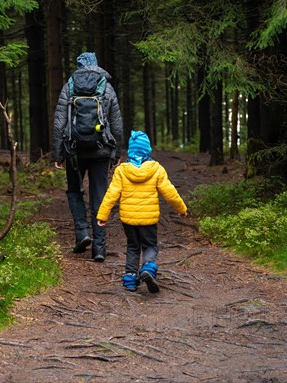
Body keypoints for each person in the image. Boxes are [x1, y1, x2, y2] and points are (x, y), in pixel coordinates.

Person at [52, 52, 123, 262]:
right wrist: (116, 152)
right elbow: (116, 124)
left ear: (79, 66)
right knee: (99, 195)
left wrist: (58, 153)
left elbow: (59, 122)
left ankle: (82, 233)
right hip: (100, 149)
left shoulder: (70, 86)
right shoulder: (106, 87)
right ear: (96, 65)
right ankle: (99, 248)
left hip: (74, 149)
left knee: (75, 190)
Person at [97, 131, 188, 292]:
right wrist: (182, 209)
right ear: (148, 150)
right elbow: (170, 193)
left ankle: (131, 279)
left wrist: (103, 215)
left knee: (133, 246)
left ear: (131, 150)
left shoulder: (122, 170)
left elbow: (111, 194)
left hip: (128, 219)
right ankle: (148, 268)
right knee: (150, 245)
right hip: (148, 219)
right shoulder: (156, 169)